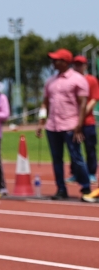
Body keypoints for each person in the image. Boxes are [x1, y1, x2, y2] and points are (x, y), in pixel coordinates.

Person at [35, 49, 93, 202]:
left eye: (56, 60)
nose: (53, 63)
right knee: (56, 159)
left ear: (65, 62)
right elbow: (45, 103)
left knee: (76, 157)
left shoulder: (78, 79)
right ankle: (61, 188)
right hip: (52, 126)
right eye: (53, 60)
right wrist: (41, 122)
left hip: (70, 125)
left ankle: (86, 187)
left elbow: (83, 104)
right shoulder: (50, 81)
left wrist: (79, 124)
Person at [71, 55, 98, 184]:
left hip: (88, 122)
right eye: (76, 64)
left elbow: (94, 99)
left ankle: (91, 172)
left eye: (80, 64)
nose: (78, 67)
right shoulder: (71, 80)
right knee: (74, 148)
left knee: (90, 148)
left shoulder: (91, 80)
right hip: (72, 122)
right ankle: (76, 173)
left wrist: (81, 114)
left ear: (85, 66)